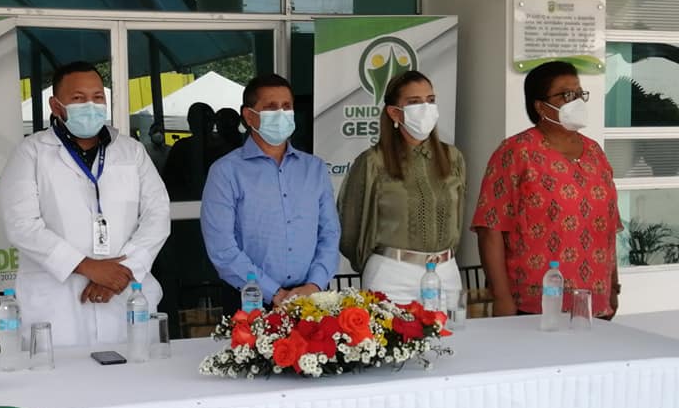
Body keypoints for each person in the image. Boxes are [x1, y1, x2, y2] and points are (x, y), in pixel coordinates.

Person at [0, 61, 171, 346]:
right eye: (78, 98)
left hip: (124, 293)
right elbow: (22, 225)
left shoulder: (131, 151)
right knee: (61, 372)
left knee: (135, 367)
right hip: (57, 303)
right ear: (56, 106)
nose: (90, 106)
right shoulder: (31, 153)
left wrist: (122, 273)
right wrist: (87, 266)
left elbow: (158, 214)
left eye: (97, 97)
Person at [472, 60, 621, 318]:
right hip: (536, 303)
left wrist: (613, 286)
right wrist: (502, 297)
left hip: (594, 301)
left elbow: (607, 224)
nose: (577, 101)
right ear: (540, 106)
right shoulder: (516, 151)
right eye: (566, 95)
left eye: (579, 93)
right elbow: (490, 228)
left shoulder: (595, 152)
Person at [201, 73, 340, 313]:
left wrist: (314, 285)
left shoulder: (314, 168)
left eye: (287, 106)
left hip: (310, 298)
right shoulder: (226, 172)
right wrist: (274, 293)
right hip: (251, 299)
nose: (281, 113)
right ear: (249, 116)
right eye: (271, 107)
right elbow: (222, 247)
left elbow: (329, 233)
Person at [337, 70, 466, 303]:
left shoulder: (452, 157)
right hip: (392, 274)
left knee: (452, 328)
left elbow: (458, 216)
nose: (425, 108)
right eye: (415, 102)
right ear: (394, 112)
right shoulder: (373, 161)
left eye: (430, 100)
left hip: (446, 272)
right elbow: (349, 228)